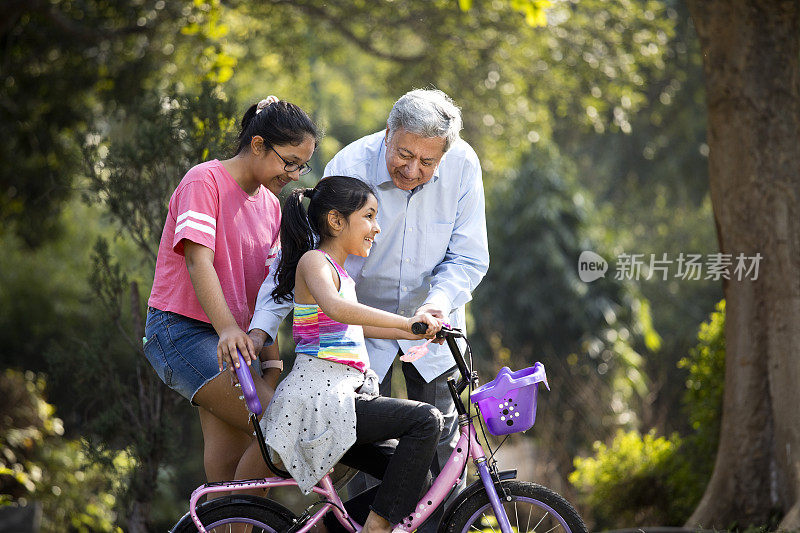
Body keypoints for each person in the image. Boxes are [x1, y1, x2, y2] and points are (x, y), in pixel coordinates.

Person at [249, 88, 489, 531]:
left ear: (444, 154)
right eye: (403, 154)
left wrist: (433, 309)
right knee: (369, 466)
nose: (413, 169)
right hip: (359, 339)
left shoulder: (463, 166)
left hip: (432, 326)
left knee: (438, 471)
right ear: (388, 132)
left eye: (427, 162)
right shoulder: (350, 167)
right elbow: (303, 257)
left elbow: (469, 257)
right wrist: (262, 327)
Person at [143, 96, 320, 486]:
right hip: (184, 333)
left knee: (237, 468)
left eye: (301, 165)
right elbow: (197, 261)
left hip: (236, 344)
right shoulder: (204, 181)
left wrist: (272, 363)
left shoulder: (270, 208)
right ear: (258, 145)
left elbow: (269, 292)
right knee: (280, 426)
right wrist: (226, 328)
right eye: (289, 161)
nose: (294, 173)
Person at [261, 176, 444, 533]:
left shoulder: (341, 274)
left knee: (416, 478)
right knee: (426, 420)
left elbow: (358, 325)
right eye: (370, 216)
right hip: (320, 399)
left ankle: (335, 527)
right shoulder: (315, 262)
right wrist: (409, 323)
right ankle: (376, 528)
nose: (377, 228)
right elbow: (338, 309)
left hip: (342, 401)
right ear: (335, 220)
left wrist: (421, 329)